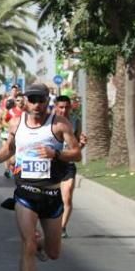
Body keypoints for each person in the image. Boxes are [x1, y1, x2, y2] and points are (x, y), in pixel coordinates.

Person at [0, 83, 82, 271]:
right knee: (26, 243)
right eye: (32, 100)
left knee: (54, 252)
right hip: (25, 192)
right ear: (25, 101)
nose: (36, 105)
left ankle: (41, 244)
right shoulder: (17, 123)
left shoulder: (58, 124)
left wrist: (56, 154)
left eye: (41, 100)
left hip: (51, 193)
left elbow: (76, 153)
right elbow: (9, 148)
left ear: (48, 100)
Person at [53, 95, 88, 238]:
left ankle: (62, 227)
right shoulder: (49, 122)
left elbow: (77, 147)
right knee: (51, 198)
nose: (64, 110)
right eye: (61, 107)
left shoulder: (75, 121)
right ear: (56, 107)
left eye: (66, 107)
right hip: (52, 164)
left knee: (66, 197)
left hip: (68, 164)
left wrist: (82, 145)